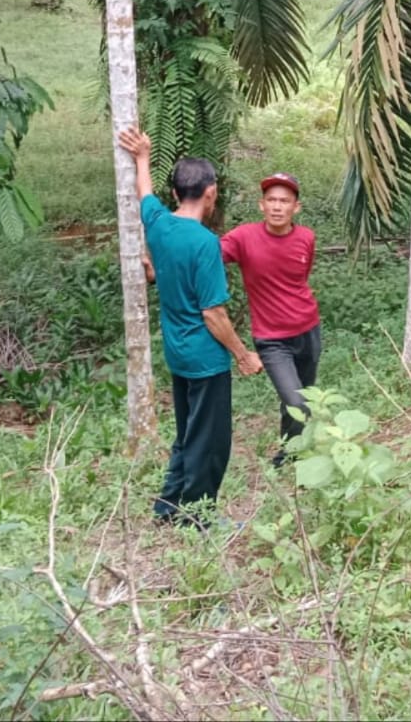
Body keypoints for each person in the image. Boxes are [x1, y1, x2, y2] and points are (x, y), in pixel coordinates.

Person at [117, 127, 262, 527]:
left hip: (177, 355)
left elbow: (144, 194)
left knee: (187, 432)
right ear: (210, 193)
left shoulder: (159, 224)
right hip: (205, 358)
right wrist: (243, 354)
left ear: (178, 192)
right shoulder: (204, 244)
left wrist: (143, 157)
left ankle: (168, 506)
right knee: (210, 442)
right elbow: (214, 315)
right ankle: (197, 517)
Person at [220, 172, 322, 467]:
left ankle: (293, 453)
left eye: (285, 201)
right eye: (272, 200)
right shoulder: (242, 237)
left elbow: (301, 279)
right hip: (271, 339)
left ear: (296, 208)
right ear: (261, 205)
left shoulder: (306, 238)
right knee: (296, 401)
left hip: (309, 330)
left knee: (303, 399)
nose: (278, 206)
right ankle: (285, 457)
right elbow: (207, 256)